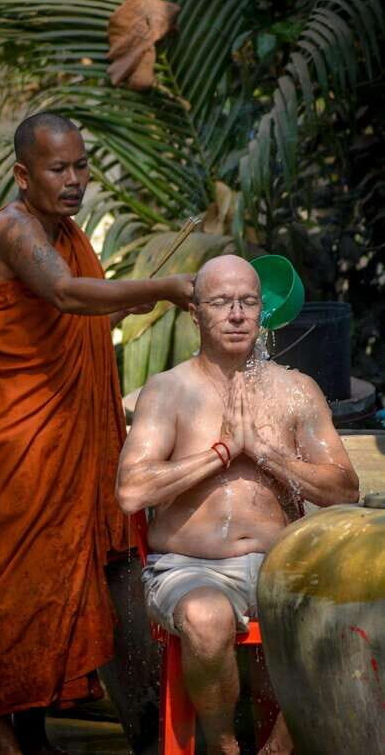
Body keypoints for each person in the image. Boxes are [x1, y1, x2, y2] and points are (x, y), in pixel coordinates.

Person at [0, 111, 194, 755]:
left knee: (58, 581)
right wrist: (164, 287)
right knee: (11, 587)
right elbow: (66, 297)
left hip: (62, 437)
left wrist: (123, 298)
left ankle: (34, 729)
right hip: (12, 446)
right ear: (23, 174)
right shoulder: (13, 230)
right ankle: (6, 729)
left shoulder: (67, 234)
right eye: (60, 168)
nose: (76, 179)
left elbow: (86, 300)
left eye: (82, 166)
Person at [116, 254, 359, 755]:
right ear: (196, 314)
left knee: (345, 611)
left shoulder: (296, 391)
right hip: (192, 567)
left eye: (248, 302)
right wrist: (223, 452)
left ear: (262, 312)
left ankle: (278, 745)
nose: (236, 314)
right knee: (206, 620)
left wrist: (265, 453)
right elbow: (132, 492)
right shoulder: (168, 391)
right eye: (221, 302)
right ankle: (224, 745)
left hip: (284, 565)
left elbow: (344, 491)